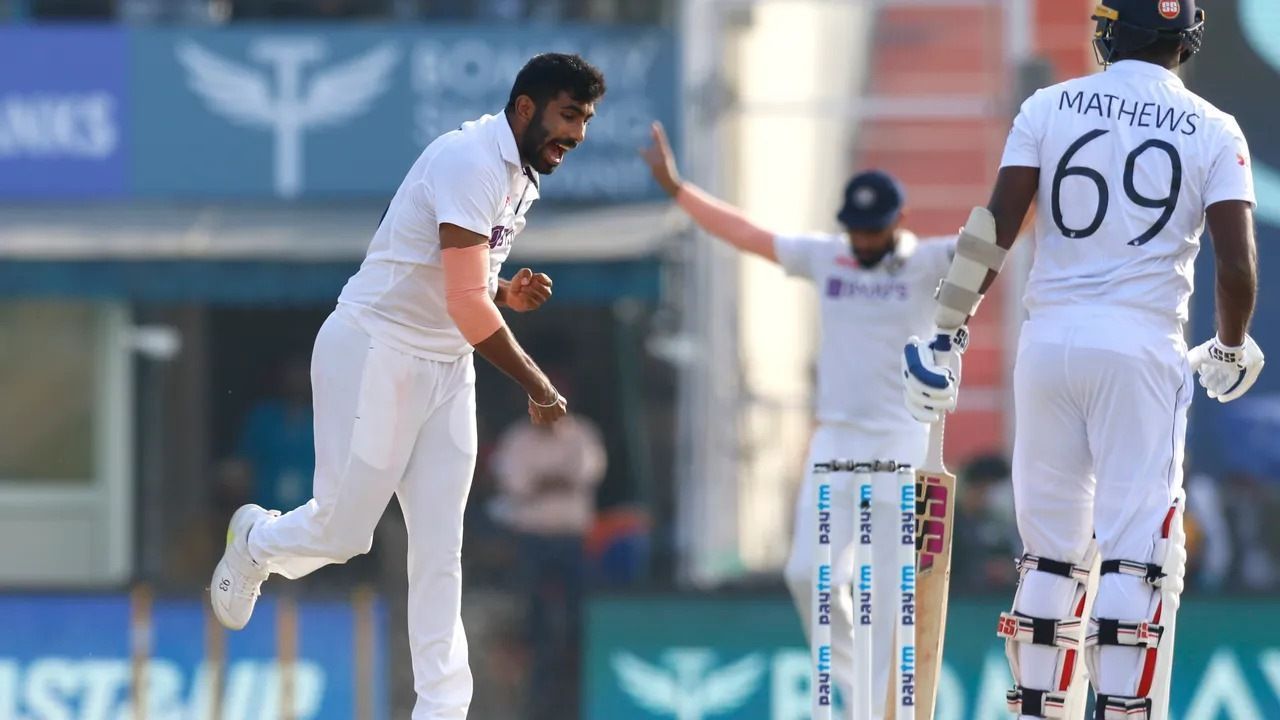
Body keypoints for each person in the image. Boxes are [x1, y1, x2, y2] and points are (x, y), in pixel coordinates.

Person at [208, 53, 606, 720]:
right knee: (344, 534)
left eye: (588, 121)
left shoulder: (518, 177)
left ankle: (441, 710)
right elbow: (465, 305)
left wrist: (505, 289)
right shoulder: (471, 161)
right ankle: (255, 544)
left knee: (439, 547)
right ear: (527, 107)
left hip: (446, 367)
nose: (580, 134)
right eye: (570, 116)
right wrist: (536, 383)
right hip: (374, 353)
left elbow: (464, 284)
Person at [902, 2, 1261, 718]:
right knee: (1135, 548)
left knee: (1051, 552)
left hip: (1048, 343)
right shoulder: (1216, 128)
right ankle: (1123, 709)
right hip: (1140, 346)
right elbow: (1236, 264)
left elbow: (993, 230)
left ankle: (1039, 706)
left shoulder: (1050, 105)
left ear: (1111, 30)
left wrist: (946, 325)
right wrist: (1229, 341)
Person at [642, 123, 955, 720]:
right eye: (856, 229)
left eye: (873, 229)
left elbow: (993, 241)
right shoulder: (827, 256)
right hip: (835, 436)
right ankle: (865, 698)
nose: (862, 240)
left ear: (898, 220)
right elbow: (748, 235)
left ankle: (885, 709)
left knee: (888, 592)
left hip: (902, 441)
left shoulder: (928, 261)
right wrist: (680, 190)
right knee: (807, 573)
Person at [488, 371, 607, 720]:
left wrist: (546, 481)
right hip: (531, 540)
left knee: (578, 616)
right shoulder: (517, 439)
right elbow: (517, 485)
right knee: (530, 618)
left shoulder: (582, 435)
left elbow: (585, 475)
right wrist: (556, 479)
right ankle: (532, 694)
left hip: (571, 540)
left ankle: (575, 681)